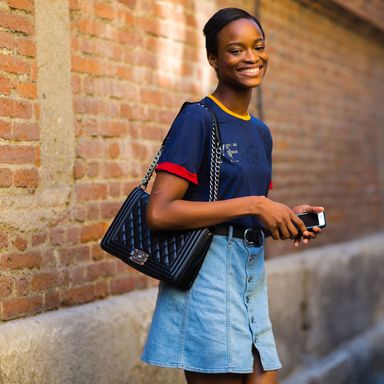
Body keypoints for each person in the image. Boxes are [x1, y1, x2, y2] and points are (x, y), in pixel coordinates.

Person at [141, 7, 323, 384]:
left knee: (264, 374)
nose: (251, 58)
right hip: (206, 270)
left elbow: (242, 209)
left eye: (258, 46)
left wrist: (284, 217)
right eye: (236, 50)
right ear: (214, 59)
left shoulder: (261, 133)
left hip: (249, 268)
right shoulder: (198, 119)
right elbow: (159, 212)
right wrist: (255, 205)